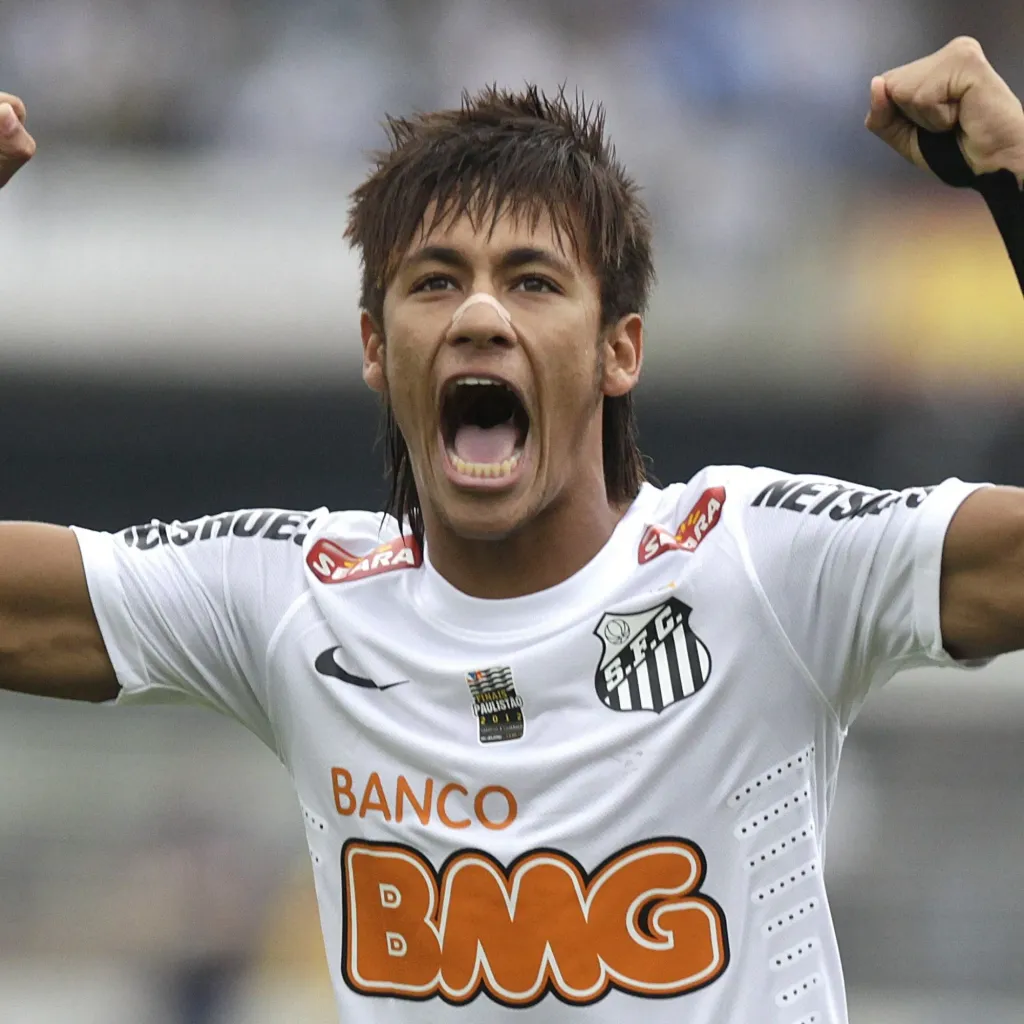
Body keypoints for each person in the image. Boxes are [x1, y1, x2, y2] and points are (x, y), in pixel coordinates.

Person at [0, 35, 1022, 1024]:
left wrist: (1012, 169)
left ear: (620, 349)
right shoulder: (294, 598)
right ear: (373, 343)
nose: (479, 317)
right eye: (435, 280)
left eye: (533, 282)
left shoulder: (761, 565)